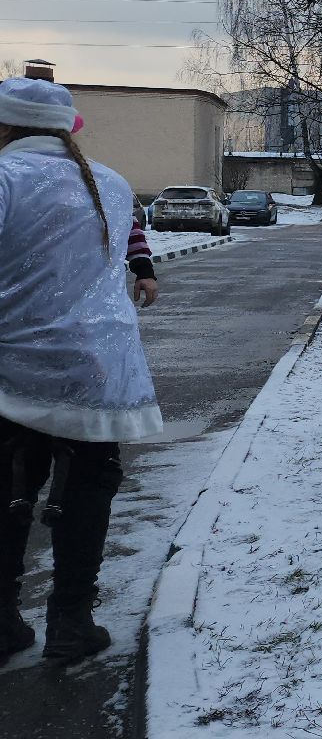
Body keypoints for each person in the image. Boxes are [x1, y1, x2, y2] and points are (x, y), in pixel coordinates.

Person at [0, 77, 163, 663]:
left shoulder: (5, 177)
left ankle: (2, 622)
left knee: (9, 491)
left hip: (12, 366)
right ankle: (71, 621)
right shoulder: (110, 182)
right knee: (88, 491)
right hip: (97, 367)